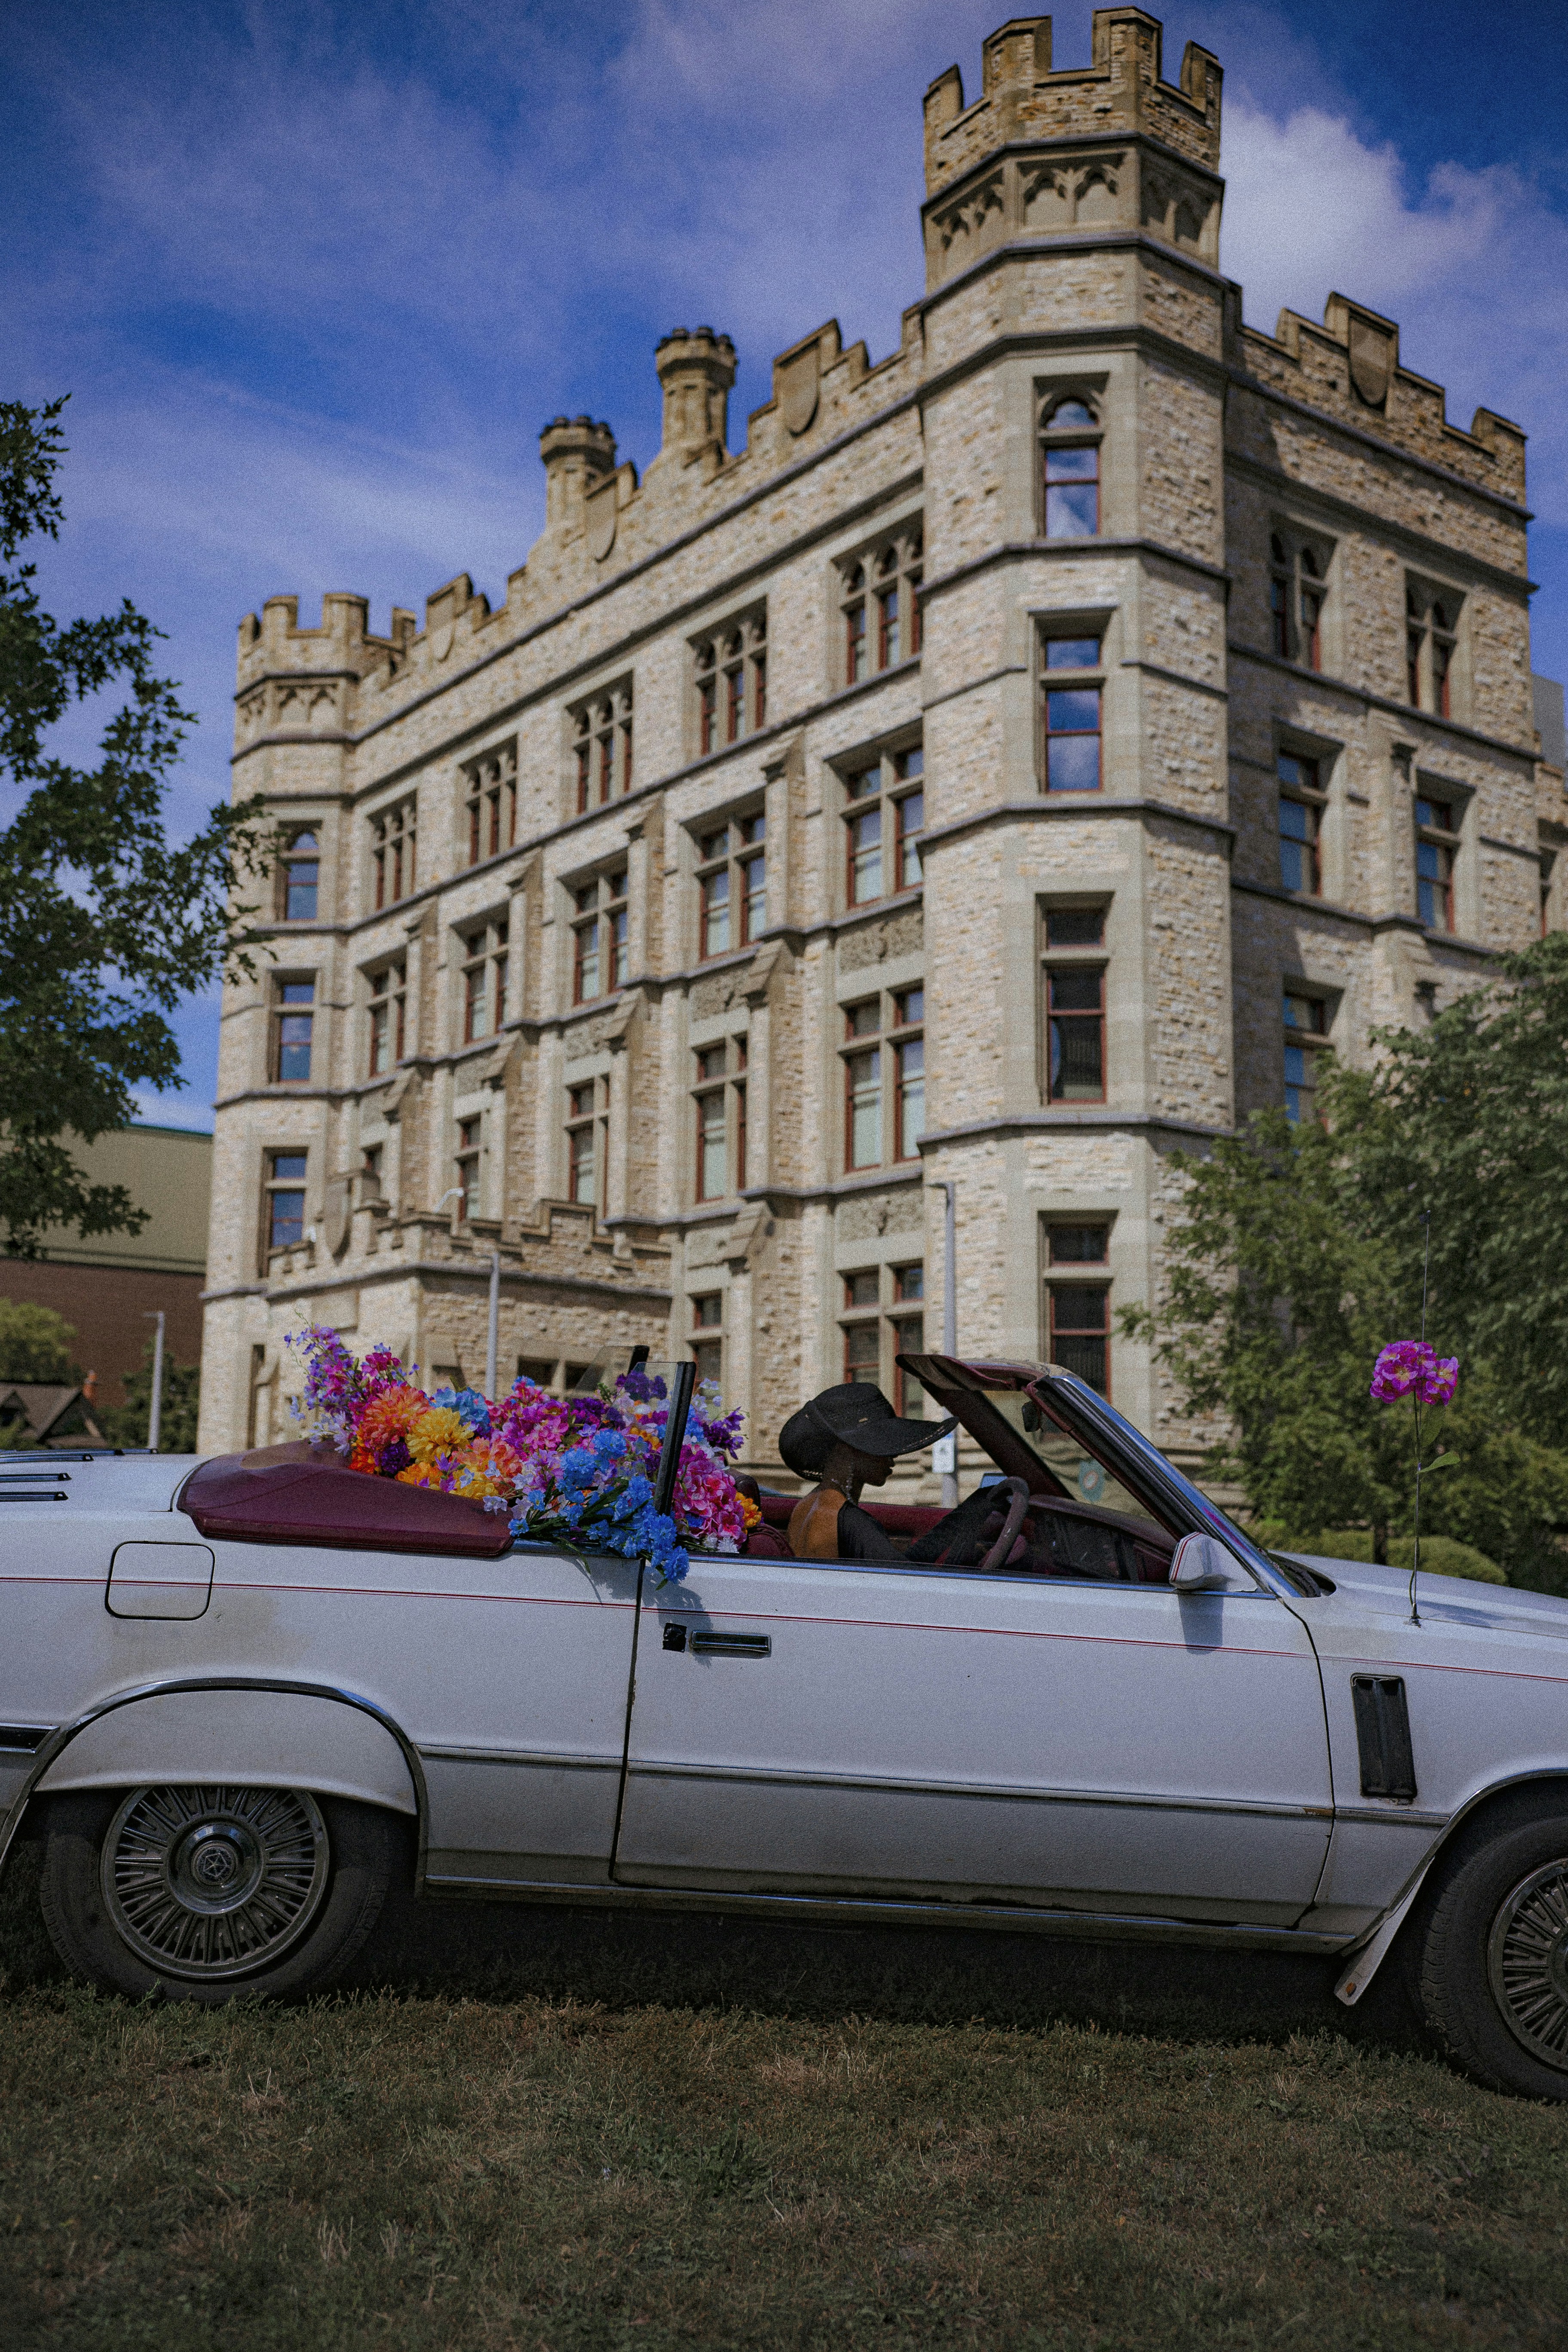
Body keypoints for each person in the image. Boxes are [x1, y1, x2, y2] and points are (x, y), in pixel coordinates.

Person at [778, 1383, 959, 1560]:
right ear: (848, 1450)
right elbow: (904, 1576)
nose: (893, 1455)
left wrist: (961, 1521)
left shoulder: (803, 1508)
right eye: (880, 1444)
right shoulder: (852, 1522)